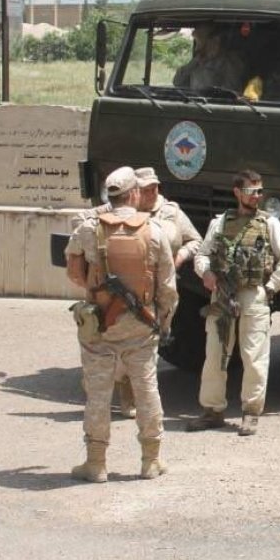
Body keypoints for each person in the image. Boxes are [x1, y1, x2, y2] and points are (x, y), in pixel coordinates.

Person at [64, 166, 178, 482]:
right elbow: (168, 288)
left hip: (100, 326)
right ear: (135, 193)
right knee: (146, 390)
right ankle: (150, 460)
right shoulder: (154, 231)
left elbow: (73, 271)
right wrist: (163, 321)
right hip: (142, 326)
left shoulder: (88, 229)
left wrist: (93, 290)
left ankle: (96, 463)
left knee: (98, 394)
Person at [187, 169, 280, 436]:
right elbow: (203, 255)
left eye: (259, 191)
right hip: (222, 295)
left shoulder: (269, 224)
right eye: (251, 191)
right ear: (237, 192)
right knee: (214, 355)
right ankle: (212, 411)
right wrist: (207, 273)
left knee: (254, 356)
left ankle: (251, 412)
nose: (257, 196)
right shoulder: (220, 223)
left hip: (253, 294)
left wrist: (270, 287)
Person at [95, 167, 204, 418]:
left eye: (155, 187)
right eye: (145, 189)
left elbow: (196, 241)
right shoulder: (121, 214)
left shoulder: (171, 212)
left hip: (160, 287)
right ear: (135, 192)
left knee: (150, 343)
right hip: (126, 288)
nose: (152, 192)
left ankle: (146, 405)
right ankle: (126, 391)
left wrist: (178, 258)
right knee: (120, 342)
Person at [173, 24, 246, 92]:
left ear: (215, 41)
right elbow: (178, 82)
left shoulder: (230, 62)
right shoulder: (198, 61)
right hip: (195, 103)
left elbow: (231, 92)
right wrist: (195, 61)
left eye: (200, 39)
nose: (197, 47)